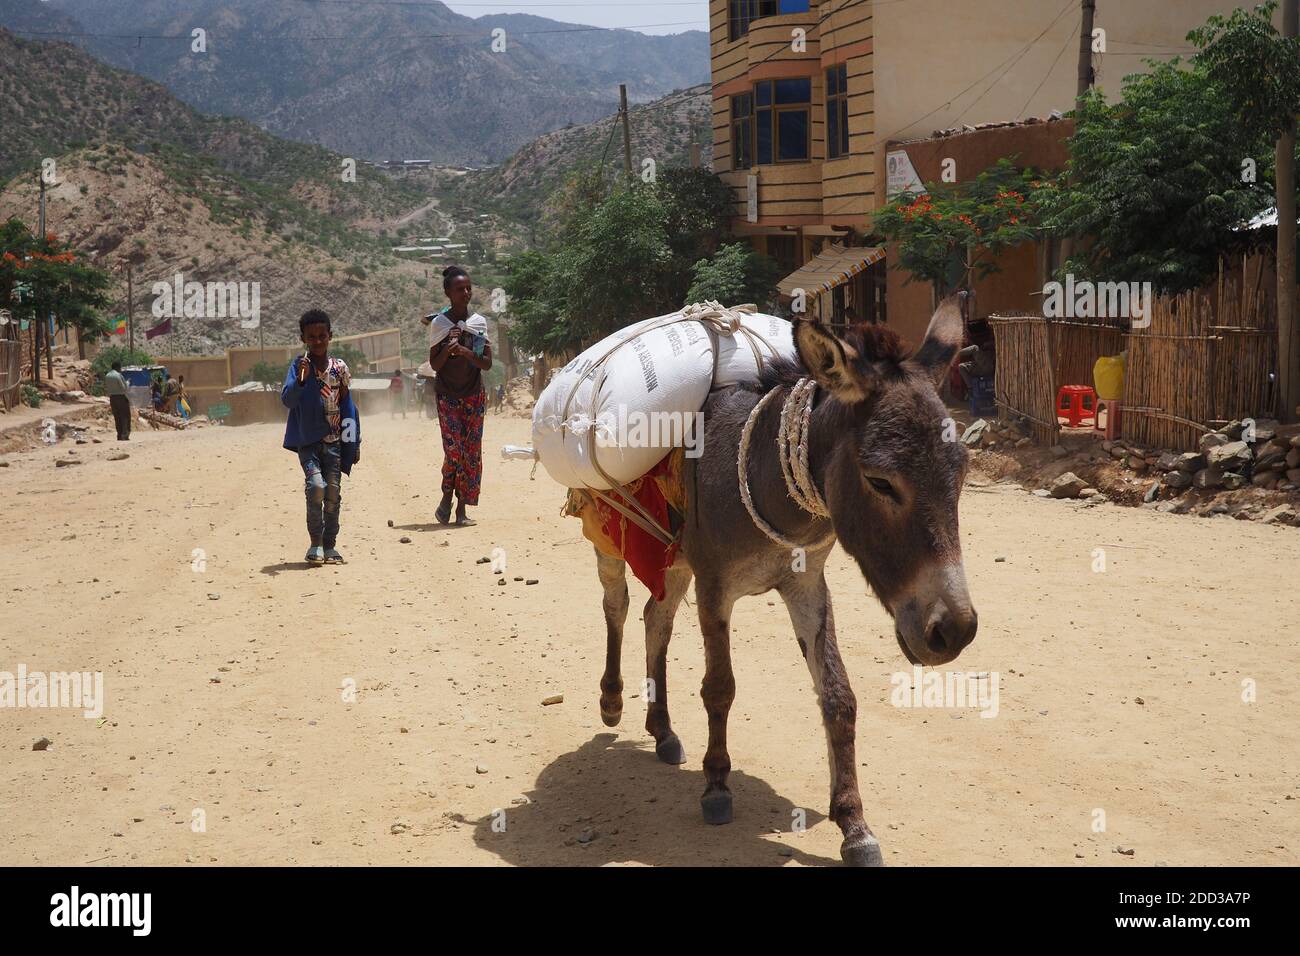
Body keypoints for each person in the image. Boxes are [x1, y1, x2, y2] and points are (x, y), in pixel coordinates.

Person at [281, 309, 362, 566]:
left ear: (330, 336)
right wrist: (301, 381)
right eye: (311, 337)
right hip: (308, 442)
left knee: (333, 494)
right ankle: (315, 542)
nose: (317, 341)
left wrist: (354, 440)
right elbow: (288, 399)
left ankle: (330, 546)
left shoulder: (339, 369)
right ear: (303, 338)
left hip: (335, 443)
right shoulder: (298, 367)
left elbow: (348, 405)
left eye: (322, 336)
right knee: (316, 488)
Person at [425, 265, 492, 526]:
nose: (466, 293)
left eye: (468, 288)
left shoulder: (477, 324)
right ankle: (446, 498)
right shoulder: (440, 324)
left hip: (473, 396)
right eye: (459, 289)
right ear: (447, 293)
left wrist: (465, 352)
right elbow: (435, 365)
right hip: (448, 396)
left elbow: (485, 362)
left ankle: (462, 510)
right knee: (454, 451)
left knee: (471, 453)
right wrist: (447, 349)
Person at [104, 360, 131, 440]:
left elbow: (106, 387)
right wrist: (128, 382)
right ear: (117, 367)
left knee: (117, 417)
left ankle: (119, 435)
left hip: (112, 398)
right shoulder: (118, 375)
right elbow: (124, 388)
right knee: (125, 416)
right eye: (120, 367)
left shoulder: (107, 375)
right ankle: (124, 435)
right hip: (121, 398)